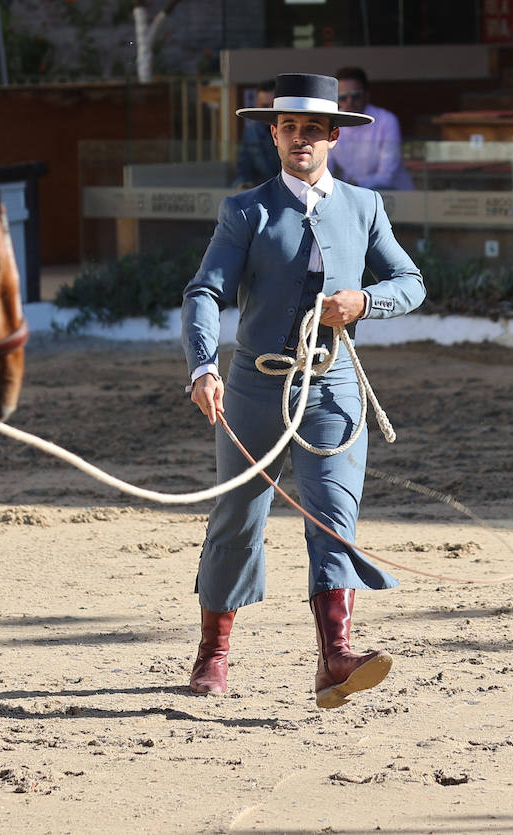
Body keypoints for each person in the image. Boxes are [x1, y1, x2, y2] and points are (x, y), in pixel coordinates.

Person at [180, 73, 425, 707]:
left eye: (312, 129)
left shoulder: (365, 206)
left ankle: (336, 658)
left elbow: (411, 282)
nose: (300, 139)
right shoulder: (246, 210)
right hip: (254, 386)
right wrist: (203, 367)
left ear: (334, 137)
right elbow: (204, 291)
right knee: (238, 515)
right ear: (273, 135)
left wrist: (364, 302)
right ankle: (213, 652)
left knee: (334, 518)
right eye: (288, 128)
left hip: (333, 383)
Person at [326, 66, 414, 191]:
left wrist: (352, 185)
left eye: (355, 95)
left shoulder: (386, 120)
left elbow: (387, 176)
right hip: (353, 192)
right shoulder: (332, 120)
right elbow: (326, 166)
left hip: (394, 193)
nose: (349, 101)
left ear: (367, 95)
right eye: (343, 97)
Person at [233, 78, 282, 188]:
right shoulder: (251, 133)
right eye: (265, 106)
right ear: (257, 105)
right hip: (263, 190)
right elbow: (244, 169)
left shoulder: (294, 131)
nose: (269, 111)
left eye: (273, 106)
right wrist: (245, 183)